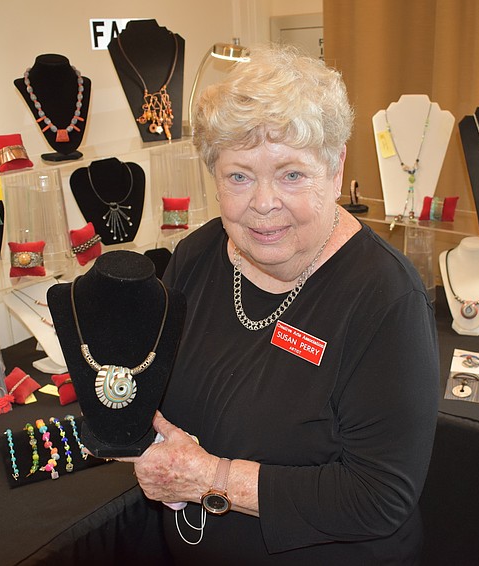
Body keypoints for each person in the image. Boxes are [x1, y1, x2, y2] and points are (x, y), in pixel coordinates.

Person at [127, 44, 439, 564]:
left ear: (336, 169)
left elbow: (379, 496)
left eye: (292, 174)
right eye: (239, 176)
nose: (264, 202)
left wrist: (211, 479)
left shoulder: (385, 299)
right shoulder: (197, 256)